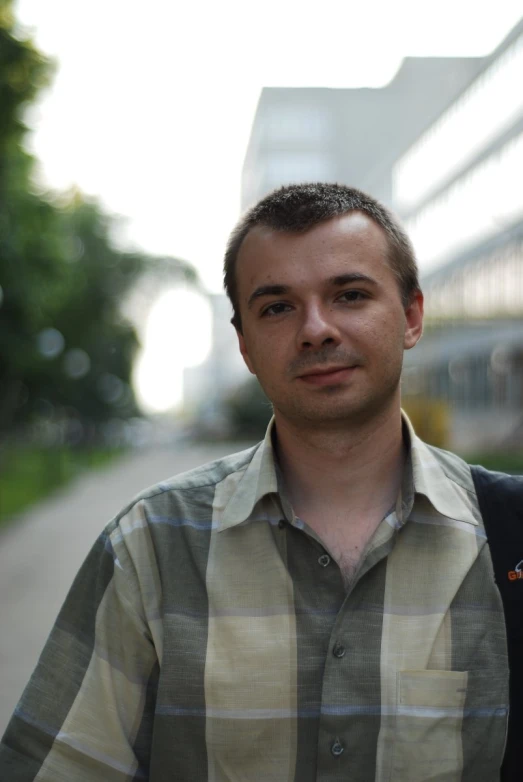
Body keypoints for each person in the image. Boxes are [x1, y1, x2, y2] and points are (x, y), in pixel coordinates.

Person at [0, 183, 509, 781]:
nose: (316, 330)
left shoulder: (512, 535)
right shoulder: (151, 546)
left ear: (412, 317)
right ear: (244, 345)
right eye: (277, 307)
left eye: (349, 294)